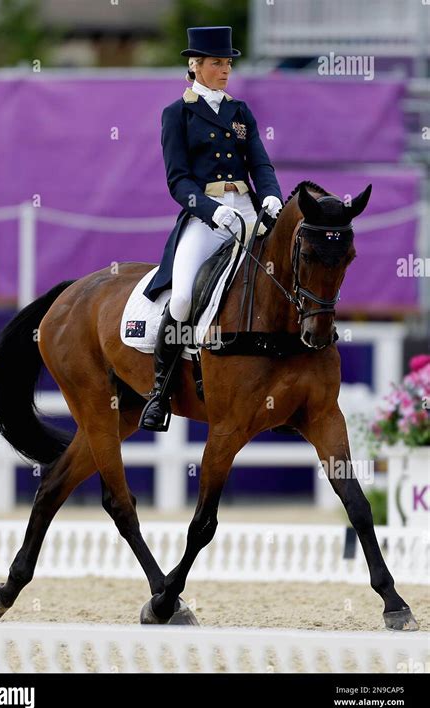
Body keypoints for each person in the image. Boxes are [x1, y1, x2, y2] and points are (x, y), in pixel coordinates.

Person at [140, 26, 283, 431]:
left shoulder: (241, 113)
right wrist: (209, 209)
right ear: (195, 65)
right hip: (208, 217)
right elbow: (178, 181)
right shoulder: (177, 114)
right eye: (217, 63)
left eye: (228, 63)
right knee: (183, 297)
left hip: (248, 212)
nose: (225, 70)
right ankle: (159, 392)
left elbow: (260, 164)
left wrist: (271, 194)